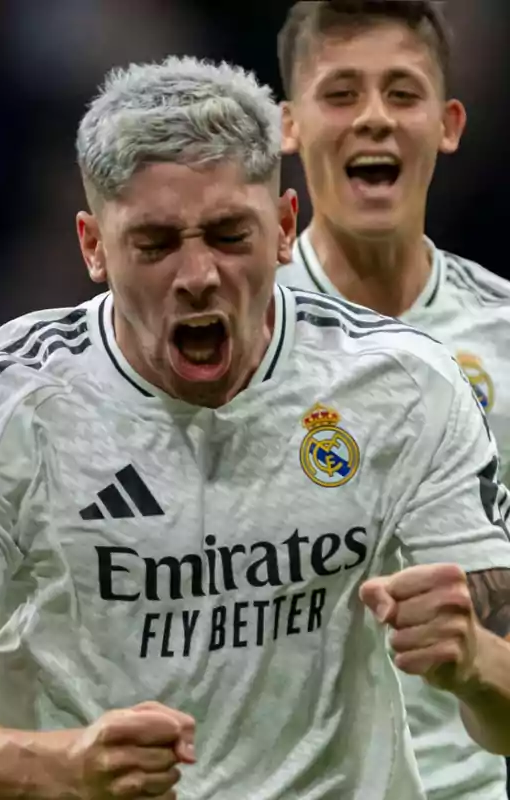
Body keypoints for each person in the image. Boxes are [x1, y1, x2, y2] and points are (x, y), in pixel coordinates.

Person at [0, 56, 510, 800]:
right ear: (93, 247)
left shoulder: (405, 385)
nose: (198, 274)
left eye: (229, 234)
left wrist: (471, 661)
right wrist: (66, 765)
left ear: (284, 227)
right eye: (157, 243)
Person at [276, 3, 510, 796]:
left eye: (402, 94)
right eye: (340, 94)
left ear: (447, 123)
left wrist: (475, 660)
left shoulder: (504, 336)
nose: (373, 118)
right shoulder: (224, 344)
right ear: (289, 126)